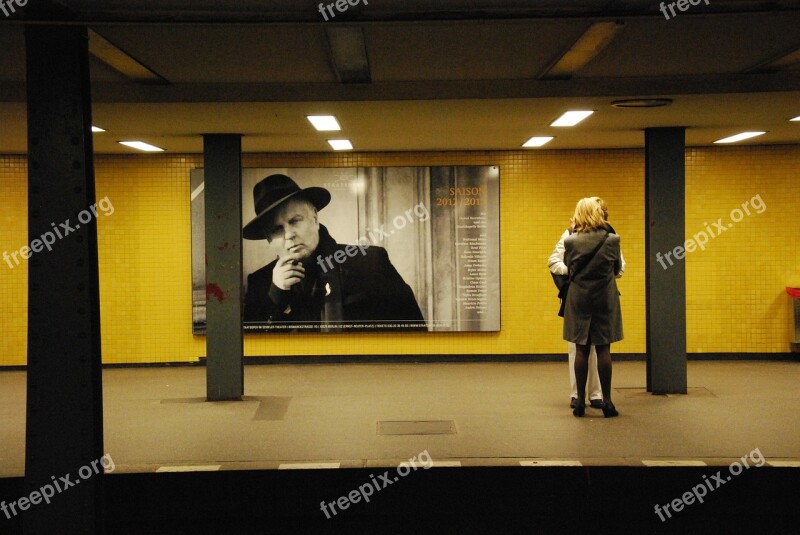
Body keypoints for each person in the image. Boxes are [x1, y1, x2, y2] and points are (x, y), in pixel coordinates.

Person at [242, 174, 426, 331]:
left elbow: (414, 330)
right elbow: (249, 351)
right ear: (268, 238)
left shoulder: (369, 262)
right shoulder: (261, 283)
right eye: (277, 230)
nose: (289, 234)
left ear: (314, 217)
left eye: (295, 221)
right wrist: (275, 295)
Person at [548, 197, 625, 410]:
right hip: (604, 299)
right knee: (603, 349)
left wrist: (571, 272)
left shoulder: (571, 240)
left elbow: (562, 263)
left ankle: (581, 399)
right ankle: (605, 400)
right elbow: (618, 270)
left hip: (579, 298)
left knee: (579, 348)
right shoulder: (612, 239)